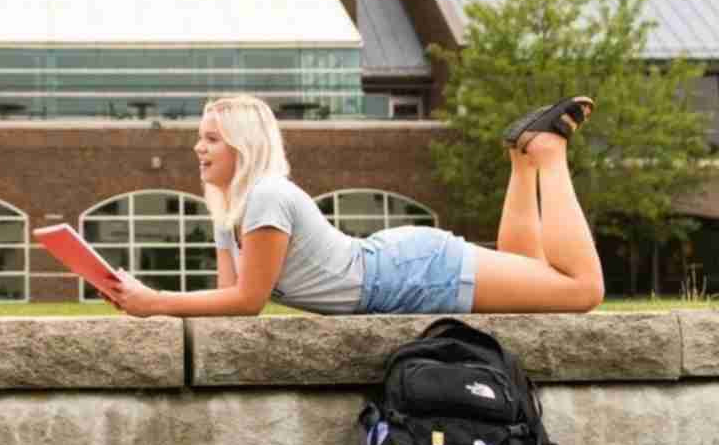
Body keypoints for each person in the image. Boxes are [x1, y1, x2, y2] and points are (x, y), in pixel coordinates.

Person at [110, 94, 604, 318]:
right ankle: (521, 160)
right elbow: (230, 302)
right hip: (395, 269)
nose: (198, 147)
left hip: (411, 275)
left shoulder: (266, 196)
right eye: (199, 137)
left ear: (242, 145)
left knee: (581, 290)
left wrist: (154, 302)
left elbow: (247, 301)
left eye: (211, 138)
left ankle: (548, 154)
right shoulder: (234, 208)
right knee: (531, 271)